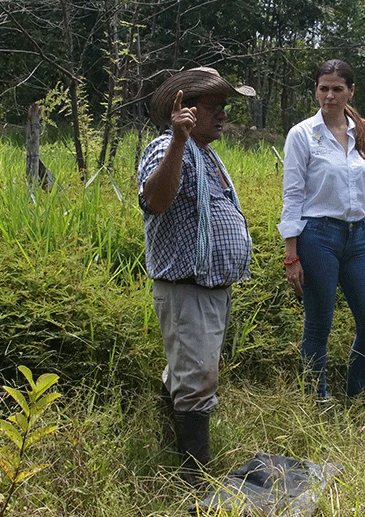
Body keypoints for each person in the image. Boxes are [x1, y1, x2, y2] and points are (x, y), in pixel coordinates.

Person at [137, 66, 255, 485]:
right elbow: (155, 200)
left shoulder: (208, 154)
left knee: (190, 372)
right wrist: (178, 141)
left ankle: (168, 437)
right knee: (198, 380)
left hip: (210, 289)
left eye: (224, 106)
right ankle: (193, 480)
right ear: (185, 109)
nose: (223, 115)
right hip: (186, 288)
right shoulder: (166, 147)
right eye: (214, 107)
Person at [278, 59, 365, 402]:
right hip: (317, 236)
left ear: (351, 91)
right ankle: (317, 400)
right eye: (323, 88)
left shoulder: (364, 133)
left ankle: (355, 393)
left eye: (337, 89)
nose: (329, 96)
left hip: (357, 239)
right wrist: (291, 255)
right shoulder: (303, 135)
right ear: (316, 90)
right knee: (318, 324)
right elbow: (293, 195)